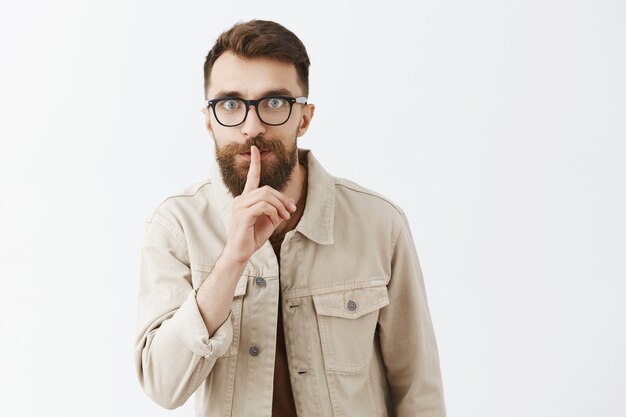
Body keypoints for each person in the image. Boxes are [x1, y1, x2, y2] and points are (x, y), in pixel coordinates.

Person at [134, 19, 446, 417]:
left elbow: (418, 389)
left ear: (305, 117)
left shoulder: (379, 224)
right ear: (209, 119)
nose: (252, 127)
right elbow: (163, 386)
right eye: (230, 103)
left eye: (274, 103)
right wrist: (232, 259)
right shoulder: (175, 227)